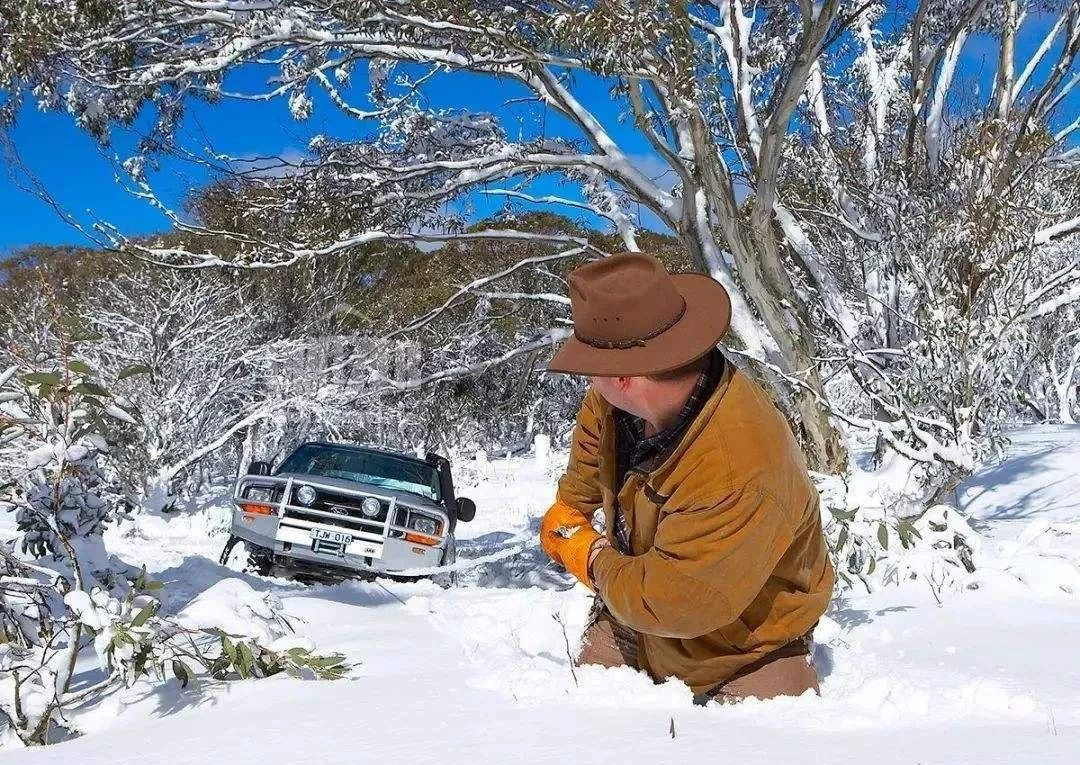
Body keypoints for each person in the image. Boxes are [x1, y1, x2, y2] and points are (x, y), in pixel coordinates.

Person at [540, 252, 834, 704]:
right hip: (636, 610)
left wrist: (590, 555)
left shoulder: (737, 465)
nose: (588, 377)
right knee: (582, 721)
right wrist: (569, 514)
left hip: (743, 643)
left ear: (622, 378)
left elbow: (676, 600)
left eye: (592, 365)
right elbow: (584, 472)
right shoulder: (612, 404)